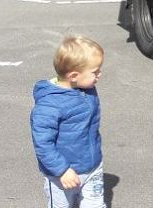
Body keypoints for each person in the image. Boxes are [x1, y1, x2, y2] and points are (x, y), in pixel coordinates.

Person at [30, 35, 107, 207]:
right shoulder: (49, 105)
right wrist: (62, 170)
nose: (99, 74)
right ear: (73, 76)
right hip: (62, 174)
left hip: (92, 166)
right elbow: (43, 143)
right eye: (95, 72)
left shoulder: (86, 89)